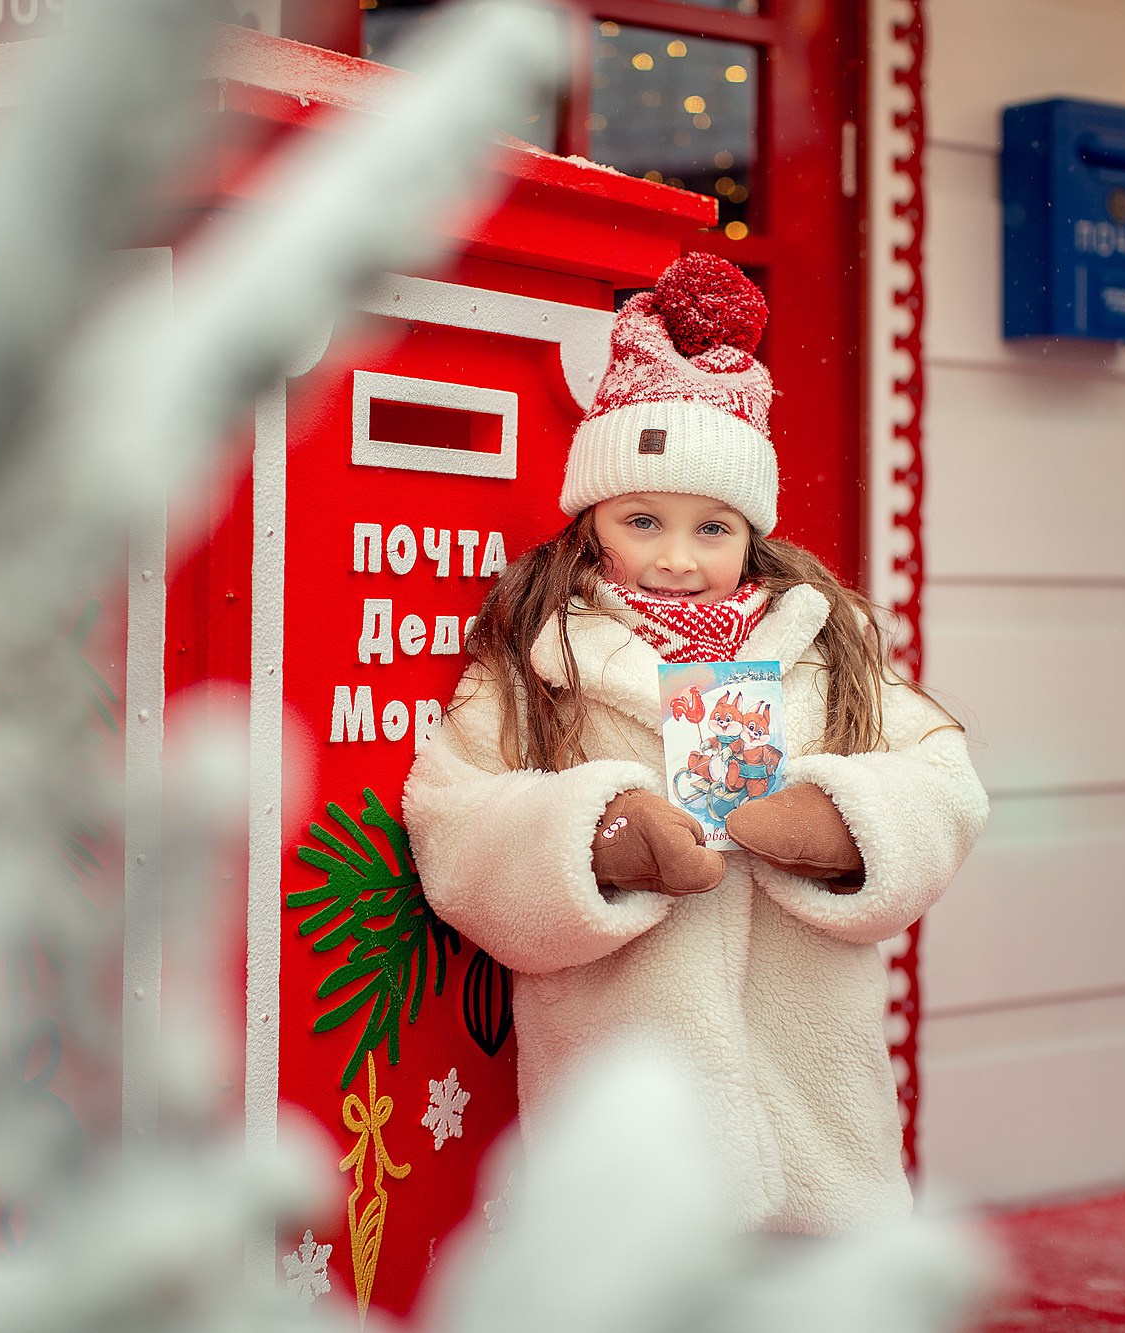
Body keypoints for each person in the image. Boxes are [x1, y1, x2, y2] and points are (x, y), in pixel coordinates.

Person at [402, 253, 987, 1237]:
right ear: (592, 526)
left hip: (812, 1107)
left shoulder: (822, 643)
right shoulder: (545, 656)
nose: (676, 558)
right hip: (627, 1098)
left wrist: (842, 824)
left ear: (749, 531)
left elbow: (944, 782)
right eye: (642, 521)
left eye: (710, 527)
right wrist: (596, 837)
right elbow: (452, 815)